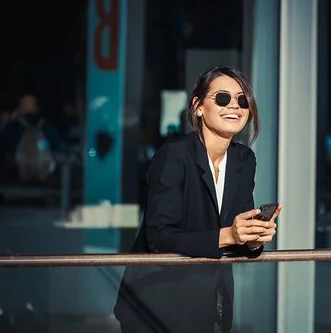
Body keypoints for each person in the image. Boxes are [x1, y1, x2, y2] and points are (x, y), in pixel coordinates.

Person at [114, 66, 281, 333]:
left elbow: (234, 238)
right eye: (223, 98)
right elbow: (159, 237)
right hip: (154, 304)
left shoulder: (244, 160)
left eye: (242, 100)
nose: (234, 106)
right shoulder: (173, 156)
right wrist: (229, 235)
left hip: (206, 303)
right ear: (198, 106)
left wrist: (252, 238)